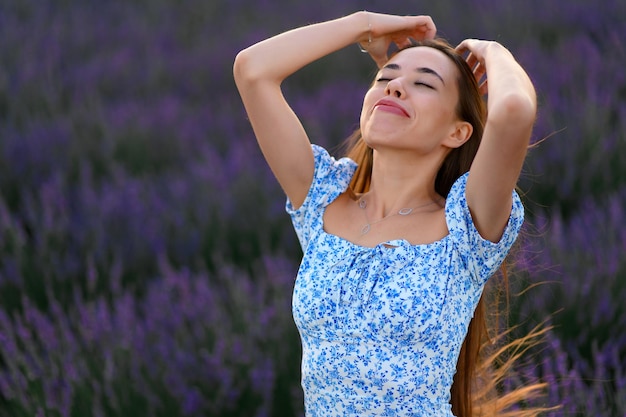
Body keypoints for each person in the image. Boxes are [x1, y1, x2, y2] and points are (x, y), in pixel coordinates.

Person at [234, 11, 543, 417]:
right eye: (386, 78)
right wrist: (364, 25)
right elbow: (253, 70)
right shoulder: (323, 200)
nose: (395, 87)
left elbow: (515, 110)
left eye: (423, 84)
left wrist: (492, 51)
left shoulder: (464, 226)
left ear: (457, 132)